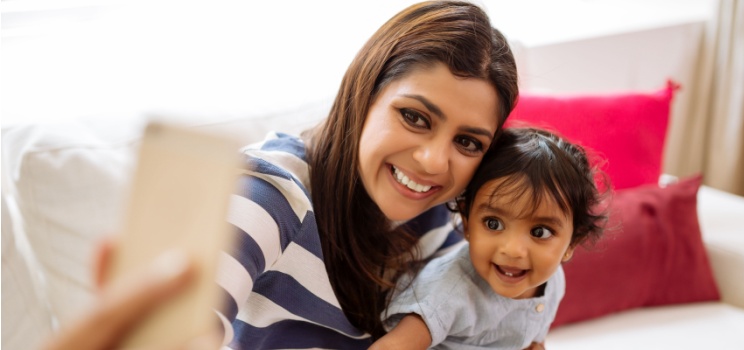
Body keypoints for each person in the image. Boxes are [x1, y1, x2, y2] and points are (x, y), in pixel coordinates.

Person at [40, 1, 518, 349]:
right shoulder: (270, 193)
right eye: (415, 117)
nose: (435, 161)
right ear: (364, 93)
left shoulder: (441, 218)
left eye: (468, 142)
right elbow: (189, 325)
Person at [371, 127, 607, 349]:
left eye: (540, 232)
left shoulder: (553, 282)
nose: (513, 250)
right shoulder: (449, 294)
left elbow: (529, 337)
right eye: (493, 224)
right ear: (467, 221)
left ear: (571, 244)